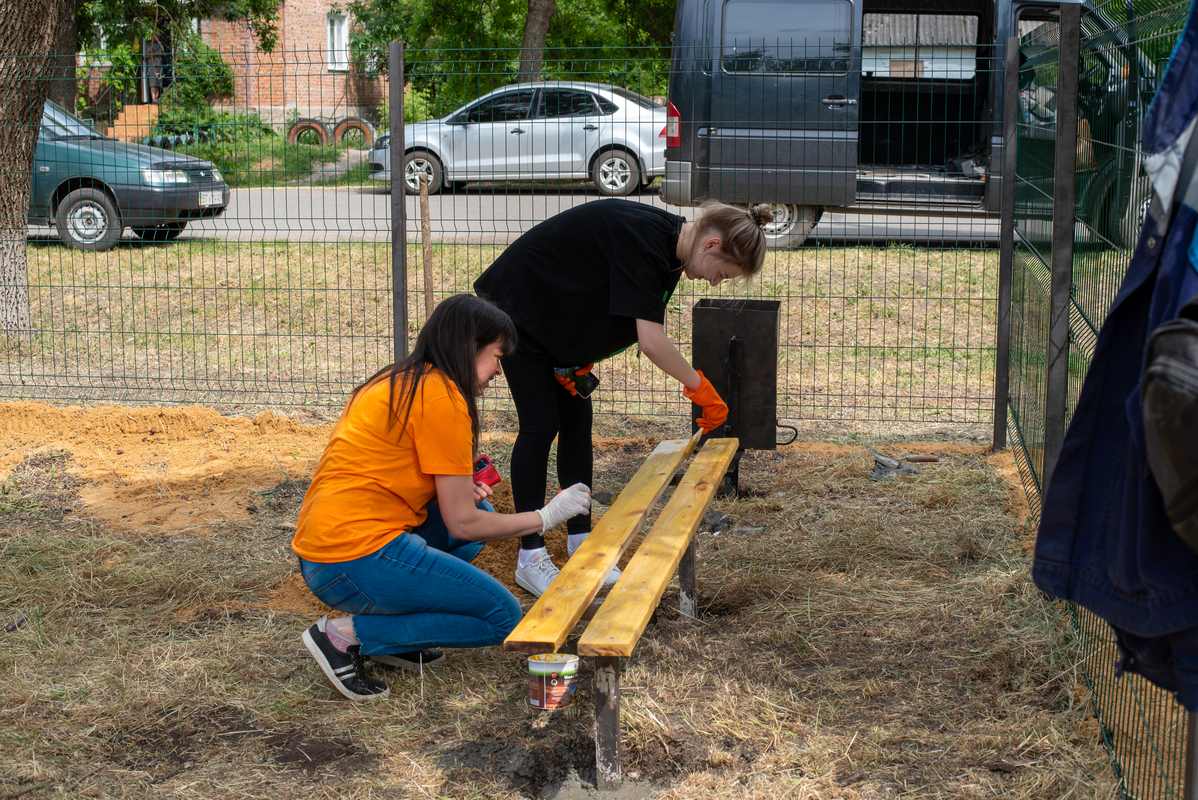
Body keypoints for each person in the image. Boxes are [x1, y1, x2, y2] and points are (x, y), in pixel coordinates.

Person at [292, 294, 592, 702]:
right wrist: (544, 517)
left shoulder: (399, 379)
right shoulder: (442, 398)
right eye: (497, 357)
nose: (499, 372)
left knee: (480, 511)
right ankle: (345, 636)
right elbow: (462, 523)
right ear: (469, 347)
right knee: (501, 615)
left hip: (326, 548)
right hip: (350, 560)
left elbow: (390, 469)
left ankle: (399, 640)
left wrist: (452, 486)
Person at [474, 198, 771, 597]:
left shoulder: (667, 248)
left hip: (556, 322)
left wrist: (579, 356)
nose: (716, 282)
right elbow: (651, 341)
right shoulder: (645, 244)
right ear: (712, 245)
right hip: (519, 312)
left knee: (577, 424)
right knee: (541, 424)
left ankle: (582, 545)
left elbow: (597, 293)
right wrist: (700, 388)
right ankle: (530, 556)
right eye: (723, 274)